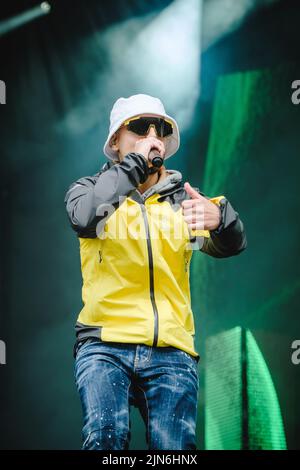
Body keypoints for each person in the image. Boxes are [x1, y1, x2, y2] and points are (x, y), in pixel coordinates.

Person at [64, 93, 247, 450]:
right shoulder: (89, 191)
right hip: (105, 344)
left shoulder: (183, 200)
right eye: (139, 128)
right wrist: (134, 167)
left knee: (175, 450)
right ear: (116, 140)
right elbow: (84, 217)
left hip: (172, 350)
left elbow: (230, 245)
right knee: (106, 438)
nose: (152, 136)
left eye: (160, 129)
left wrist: (222, 221)